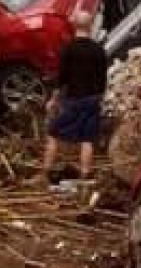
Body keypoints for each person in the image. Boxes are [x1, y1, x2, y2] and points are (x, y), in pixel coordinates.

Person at [37, 12, 108, 184]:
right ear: (90, 26)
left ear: (75, 26)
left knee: (53, 133)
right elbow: (103, 79)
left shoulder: (68, 49)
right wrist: (99, 98)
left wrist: (53, 100)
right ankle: (84, 176)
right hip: (92, 100)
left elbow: (62, 78)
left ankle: (44, 174)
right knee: (87, 139)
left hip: (74, 101)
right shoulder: (99, 50)